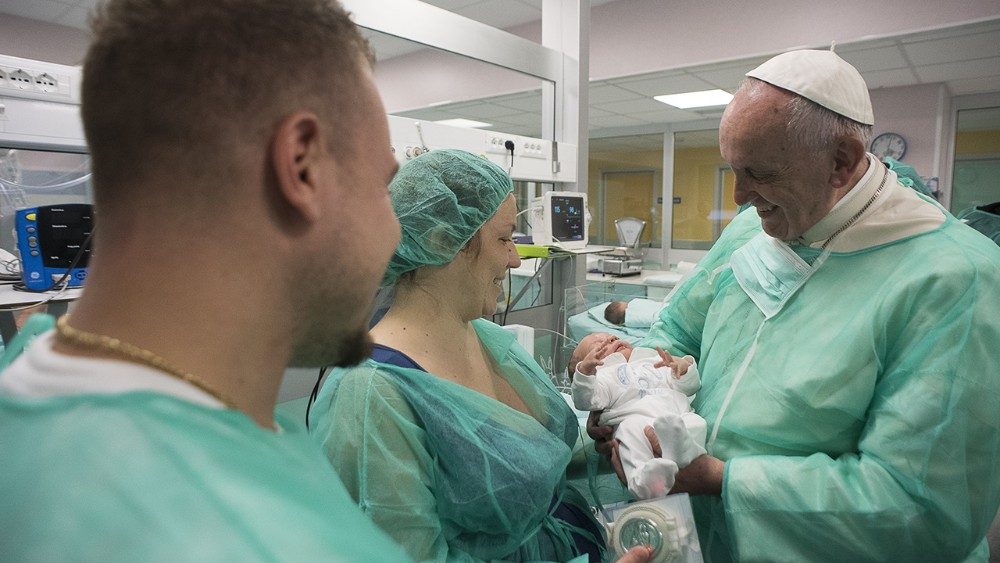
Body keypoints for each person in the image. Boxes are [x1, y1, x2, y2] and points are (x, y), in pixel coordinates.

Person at [0, 0, 412, 559]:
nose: (395, 233)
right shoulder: (259, 542)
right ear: (302, 165)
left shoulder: (26, 395)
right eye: (384, 187)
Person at [590, 49, 1000, 561]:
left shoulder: (956, 279)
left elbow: (918, 507)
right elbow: (674, 331)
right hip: (707, 538)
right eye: (733, 170)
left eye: (759, 173)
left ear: (841, 162)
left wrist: (721, 479)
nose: (739, 196)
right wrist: (627, 404)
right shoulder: (756, 226)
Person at [309, 149, 609, 562]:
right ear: (441, 241)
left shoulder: (486, 337)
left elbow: (526, 464)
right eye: (504, 239)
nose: (516, 258)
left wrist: (598, 444)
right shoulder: (371, 398)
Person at [569, 332, 706, 500]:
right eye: (599, 345)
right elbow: (585, 399)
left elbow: (690, 387)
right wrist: (584, 374)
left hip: (674, 415)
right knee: (628, 434)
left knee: (695, 422)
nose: (611, 339)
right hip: (635, 420)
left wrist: (683, 367)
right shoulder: (604, 376)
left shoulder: (654, 360)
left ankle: (684, 451)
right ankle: (646, 481)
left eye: (613, 336)